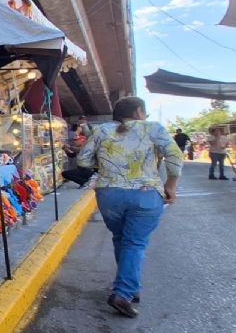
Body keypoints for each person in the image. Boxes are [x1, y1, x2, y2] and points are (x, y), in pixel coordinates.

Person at [77, 96, 182, 318]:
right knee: (135, 242)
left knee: (121, 238)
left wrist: (106, 165)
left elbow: (83, 160)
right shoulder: (152, 128)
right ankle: (123, 293)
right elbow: (174, 154)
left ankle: (129, 286)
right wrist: (171, 185)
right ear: (138, 112)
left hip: (109, 195)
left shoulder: (101, 130)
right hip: (145, 194)